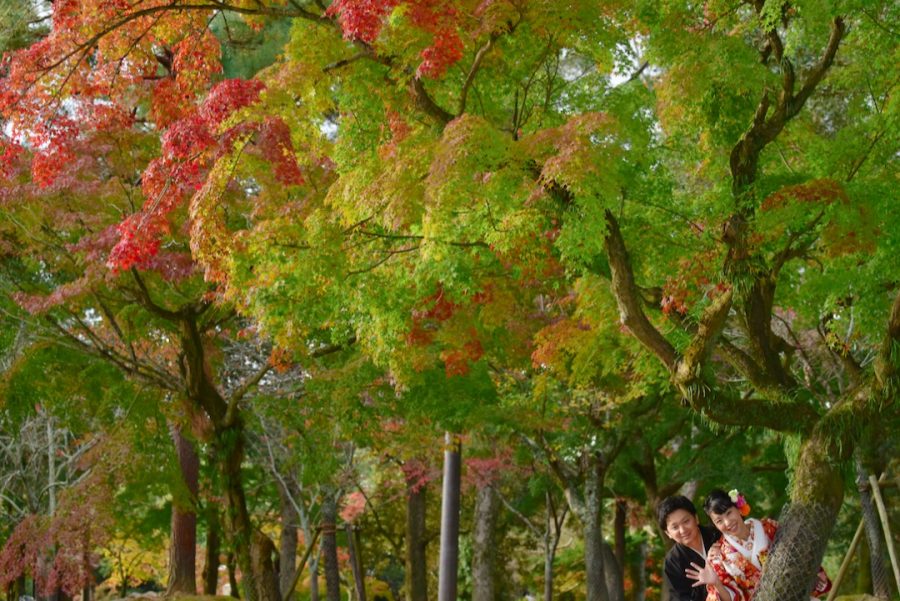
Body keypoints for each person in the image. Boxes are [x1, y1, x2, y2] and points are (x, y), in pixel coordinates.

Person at [686, 489, 831, 601]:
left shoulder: (768, 527)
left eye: (729, 513)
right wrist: (716, 583)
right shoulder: (718, 557)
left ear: (738, 508)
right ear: (715, 525)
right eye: (719, 521)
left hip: (794, 594)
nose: (727, 522)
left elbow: (797, 551)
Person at [658, 495, 722, 601]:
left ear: (696, 518)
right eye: (675, 527)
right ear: (668, 533)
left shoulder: (716, 534)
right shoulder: (673, 562)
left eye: (686, 521)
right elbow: (680, 597)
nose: (683, 530)